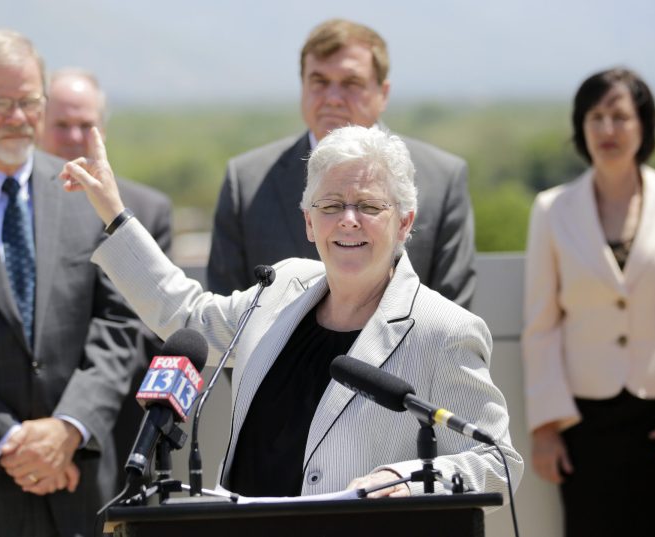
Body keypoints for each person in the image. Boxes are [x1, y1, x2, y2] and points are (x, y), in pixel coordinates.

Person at [61, 124, 522, 502]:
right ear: (308, 221)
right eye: (331, 205)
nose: (348, 220)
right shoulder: (280, 287)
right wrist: (114, 213)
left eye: (368, 205)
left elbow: (497, 461)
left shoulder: (444, 330)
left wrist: (407, 481)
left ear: (404, 221)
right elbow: (188, 316)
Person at [0, 30, 142, 536]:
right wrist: (9, 441)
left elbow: (119, 318)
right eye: (0, 102)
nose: (18, 117)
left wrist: (69, 427)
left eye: (29, 101)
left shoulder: (82, 191)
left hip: (80, 485)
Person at [522, 67, 655, 537]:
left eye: (620, 116)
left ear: (643, 125)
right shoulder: (552, 208)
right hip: (582, 419)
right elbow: (541, 322)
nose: (608, 129)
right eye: (595, 117)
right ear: (580, 127)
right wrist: (545, 426)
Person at [207, 19, 476, 309]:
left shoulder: (441, 179)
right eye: (320, 81)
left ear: (382, 94)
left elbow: (451, 315)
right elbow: (226, 316)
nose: (333, 99)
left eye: (351, 83)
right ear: (303, 87)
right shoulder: (246, 183)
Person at [40, 67, 173, 490]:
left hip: (116, 436)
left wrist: (76, 425)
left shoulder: (146, 212)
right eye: (61, 124)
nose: (74, 137)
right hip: (28, 433)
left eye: (86, 125)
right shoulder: (8, 207)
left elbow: (144, 327)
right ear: (39, 126)